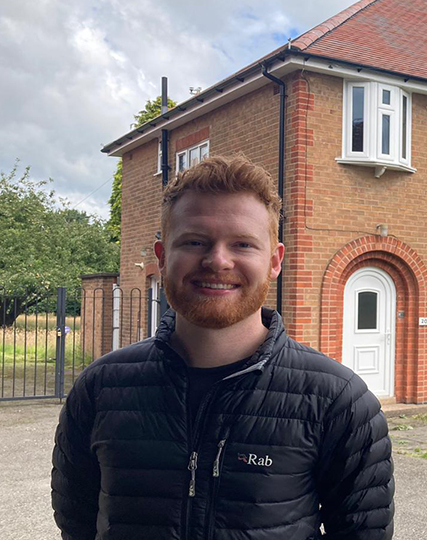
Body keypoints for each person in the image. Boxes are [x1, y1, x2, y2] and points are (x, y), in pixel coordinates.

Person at [51, 155, 394, 539]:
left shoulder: (338, 400)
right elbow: (77, 523)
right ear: (162, 257)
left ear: (274, 261)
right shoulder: (101, 388)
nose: (218, 260)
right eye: (195, 241)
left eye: (243, 244)